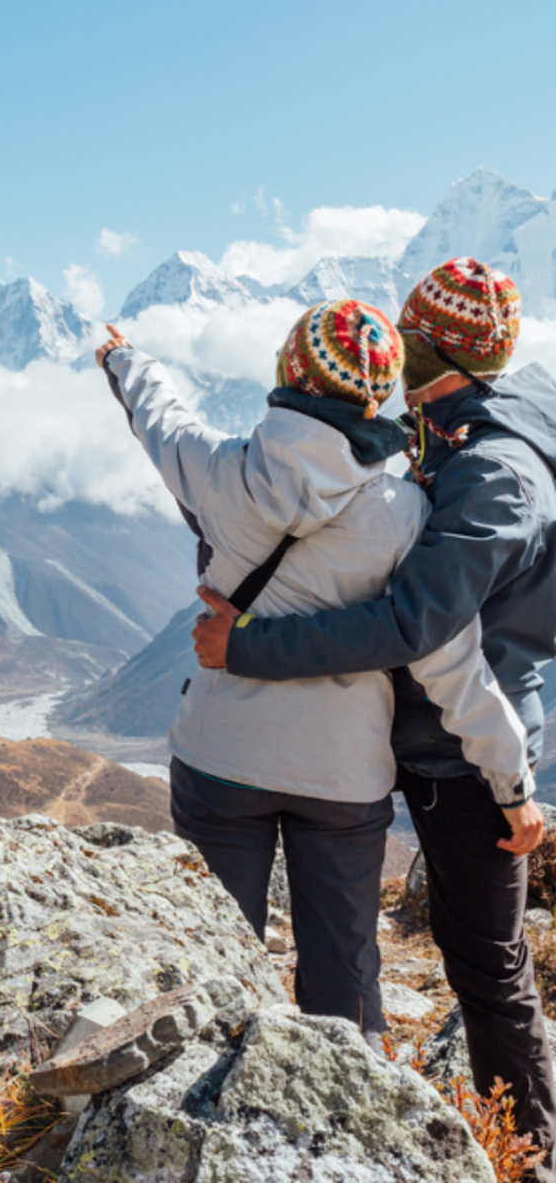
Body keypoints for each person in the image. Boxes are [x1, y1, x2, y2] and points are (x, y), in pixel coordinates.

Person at [191, 258, 556, 1171]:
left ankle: (534, 1157)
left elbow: (413, 624)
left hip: (467, 757)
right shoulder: (443, 426)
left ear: (445, 349)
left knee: (487, 971)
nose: (396, 335)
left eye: (412, 326)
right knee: (390, 957)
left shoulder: (500, 473)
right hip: (407, 744)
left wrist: (244, 649)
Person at [96, 297, 533, 1046]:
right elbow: (453, 665)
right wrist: (511, 782)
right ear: (379, 394)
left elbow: (158, 419)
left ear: (290, 371)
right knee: (345, 978)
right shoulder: (403, 513)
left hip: (219, 757)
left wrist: (122, 360)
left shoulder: (217, 469)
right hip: (343, 778)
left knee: (215, 957)